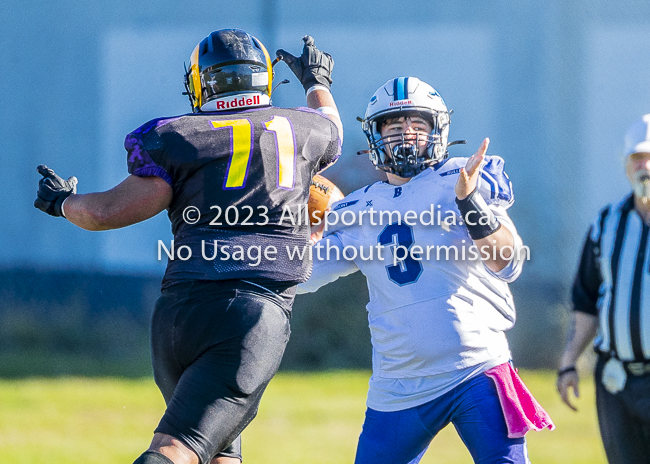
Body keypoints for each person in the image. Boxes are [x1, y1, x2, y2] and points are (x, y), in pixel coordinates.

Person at [34, 30, 342, 464]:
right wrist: (316, 81)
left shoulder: (178, 137)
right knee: (175, 451)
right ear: (265, 80)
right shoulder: (303, 127)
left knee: (219, 454)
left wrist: (62, 202)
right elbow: (333, 126)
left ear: (200, 82)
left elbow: (105, 212)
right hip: (251, 313)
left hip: (177, 317)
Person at [300, 76, 553, 464]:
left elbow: (508, 262)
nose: (407, 135)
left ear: (437, 131)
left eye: (418, 126)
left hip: (476, 368)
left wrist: (471, 205)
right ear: (375, 136)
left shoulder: (462, 177)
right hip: (398, 385)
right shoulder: (357, 209)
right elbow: (303, 276)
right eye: (395, 126)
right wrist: (292, 239)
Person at [557, 114, 650, 464]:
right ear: (626, 164)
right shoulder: (607, 223)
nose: (645, 165)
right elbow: (586, 300)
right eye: (637, 157)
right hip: (617, 382)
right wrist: (568, 362)